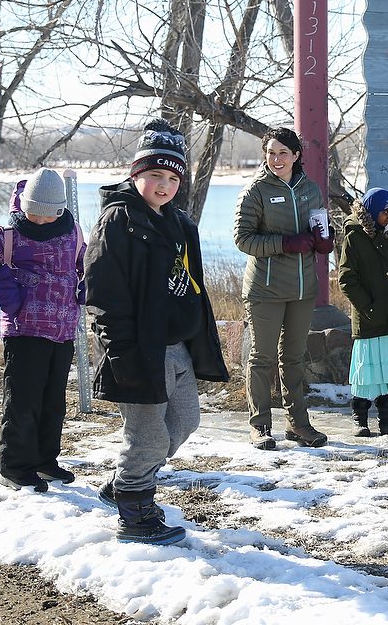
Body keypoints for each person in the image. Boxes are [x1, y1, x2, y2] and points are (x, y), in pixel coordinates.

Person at [86, 118, 230, 545]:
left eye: (172, 177)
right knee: (147, 436)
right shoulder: (118, 221)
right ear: (136, 174)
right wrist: (120, 352)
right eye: (154, 175)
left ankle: (126, 482)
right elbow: (103, 293)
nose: (164, 184)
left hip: (179, 347)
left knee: (184, 422)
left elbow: (193, 284)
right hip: (138, 350)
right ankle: (135, 515)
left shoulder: (179, 222)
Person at [0, 169, 85, 492]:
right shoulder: (10, 236)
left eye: (47, 215)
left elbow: (86, 262)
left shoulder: (73, 233)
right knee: (23, 401)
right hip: (24, 329)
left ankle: (45, 461)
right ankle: (15, 466)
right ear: (24, 205)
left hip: (62, 330)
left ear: (59, 210)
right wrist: (0, 275)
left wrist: (88, 284)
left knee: (53, 402)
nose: (39, 221)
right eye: (33, 213)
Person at [234, 127, 333, 450]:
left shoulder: (311, 189)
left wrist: (324, 240)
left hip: (303, 289)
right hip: (265, 289)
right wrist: (285, 243)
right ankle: (260, 425)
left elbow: (320, 224)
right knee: (262, 358)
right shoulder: (255, 191)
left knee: (293, 358)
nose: (277, 159)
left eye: (283, 153)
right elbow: (243, 239)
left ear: (296, 156)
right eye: (271, 153)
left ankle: (299, 425)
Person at [336, 188, 388, 438]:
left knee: (387, 373)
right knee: (365, 372)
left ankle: (386, 420)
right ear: (371, 211)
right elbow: (347, 278)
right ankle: (360, 418)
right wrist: (367, 306)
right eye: (385, 211)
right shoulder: (354, 237)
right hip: (368, 318)